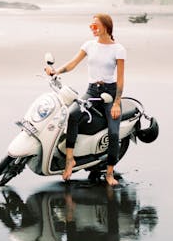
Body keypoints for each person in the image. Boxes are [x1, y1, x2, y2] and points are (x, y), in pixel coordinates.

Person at [45, 13, 126, 186]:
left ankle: (109, 172)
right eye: (91, 26)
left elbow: (120, 79)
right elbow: (72, 64)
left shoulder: (118, 49)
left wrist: (117, 103)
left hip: (110, 93)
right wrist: (56, 71)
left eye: (95, 26)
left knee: (113, 132)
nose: (92, 29)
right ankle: (70, 161)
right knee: (72, 115)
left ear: (106, 27)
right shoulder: (89, 45)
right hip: (92, 91)